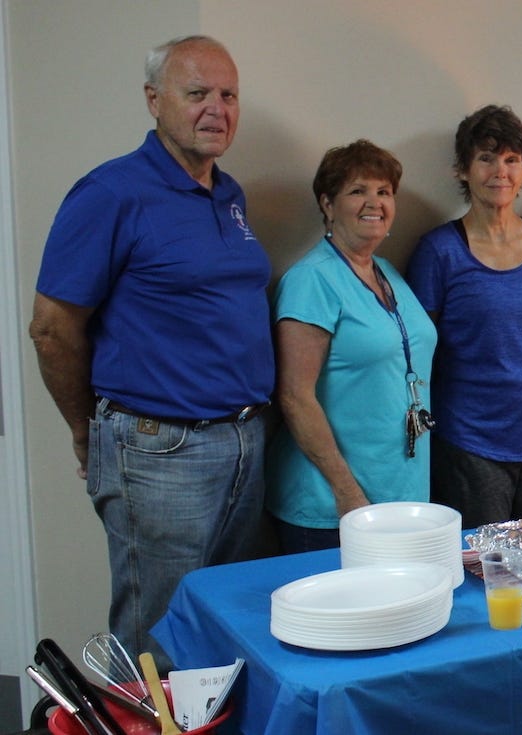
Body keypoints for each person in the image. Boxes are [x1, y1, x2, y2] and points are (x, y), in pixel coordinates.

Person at [28, 36, 271, 669]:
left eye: (228, 94)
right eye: (197, 94)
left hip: (242, 440)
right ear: (153, 101)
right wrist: (87, 431)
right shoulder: (111, 193)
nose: (216, 109)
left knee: (223, 625)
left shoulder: (229, 193)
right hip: (159, 450)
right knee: (155, 639)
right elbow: (52, 328)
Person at [266, 141, 436, 552]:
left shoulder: (387, 272)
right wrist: (347, 494)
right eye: (358, 191)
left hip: (400, 494)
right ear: (327, 204)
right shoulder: (312, 281)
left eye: (384, 192)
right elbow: (294, 397)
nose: (373, 202)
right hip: (334, 504)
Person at [406, 105, 522, 529]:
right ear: (462, 170)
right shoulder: (438, 251)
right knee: (484, 569)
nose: (501, 171)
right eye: (486, 158)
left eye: (512, 160)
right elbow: (423, 354)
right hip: (471, 440)